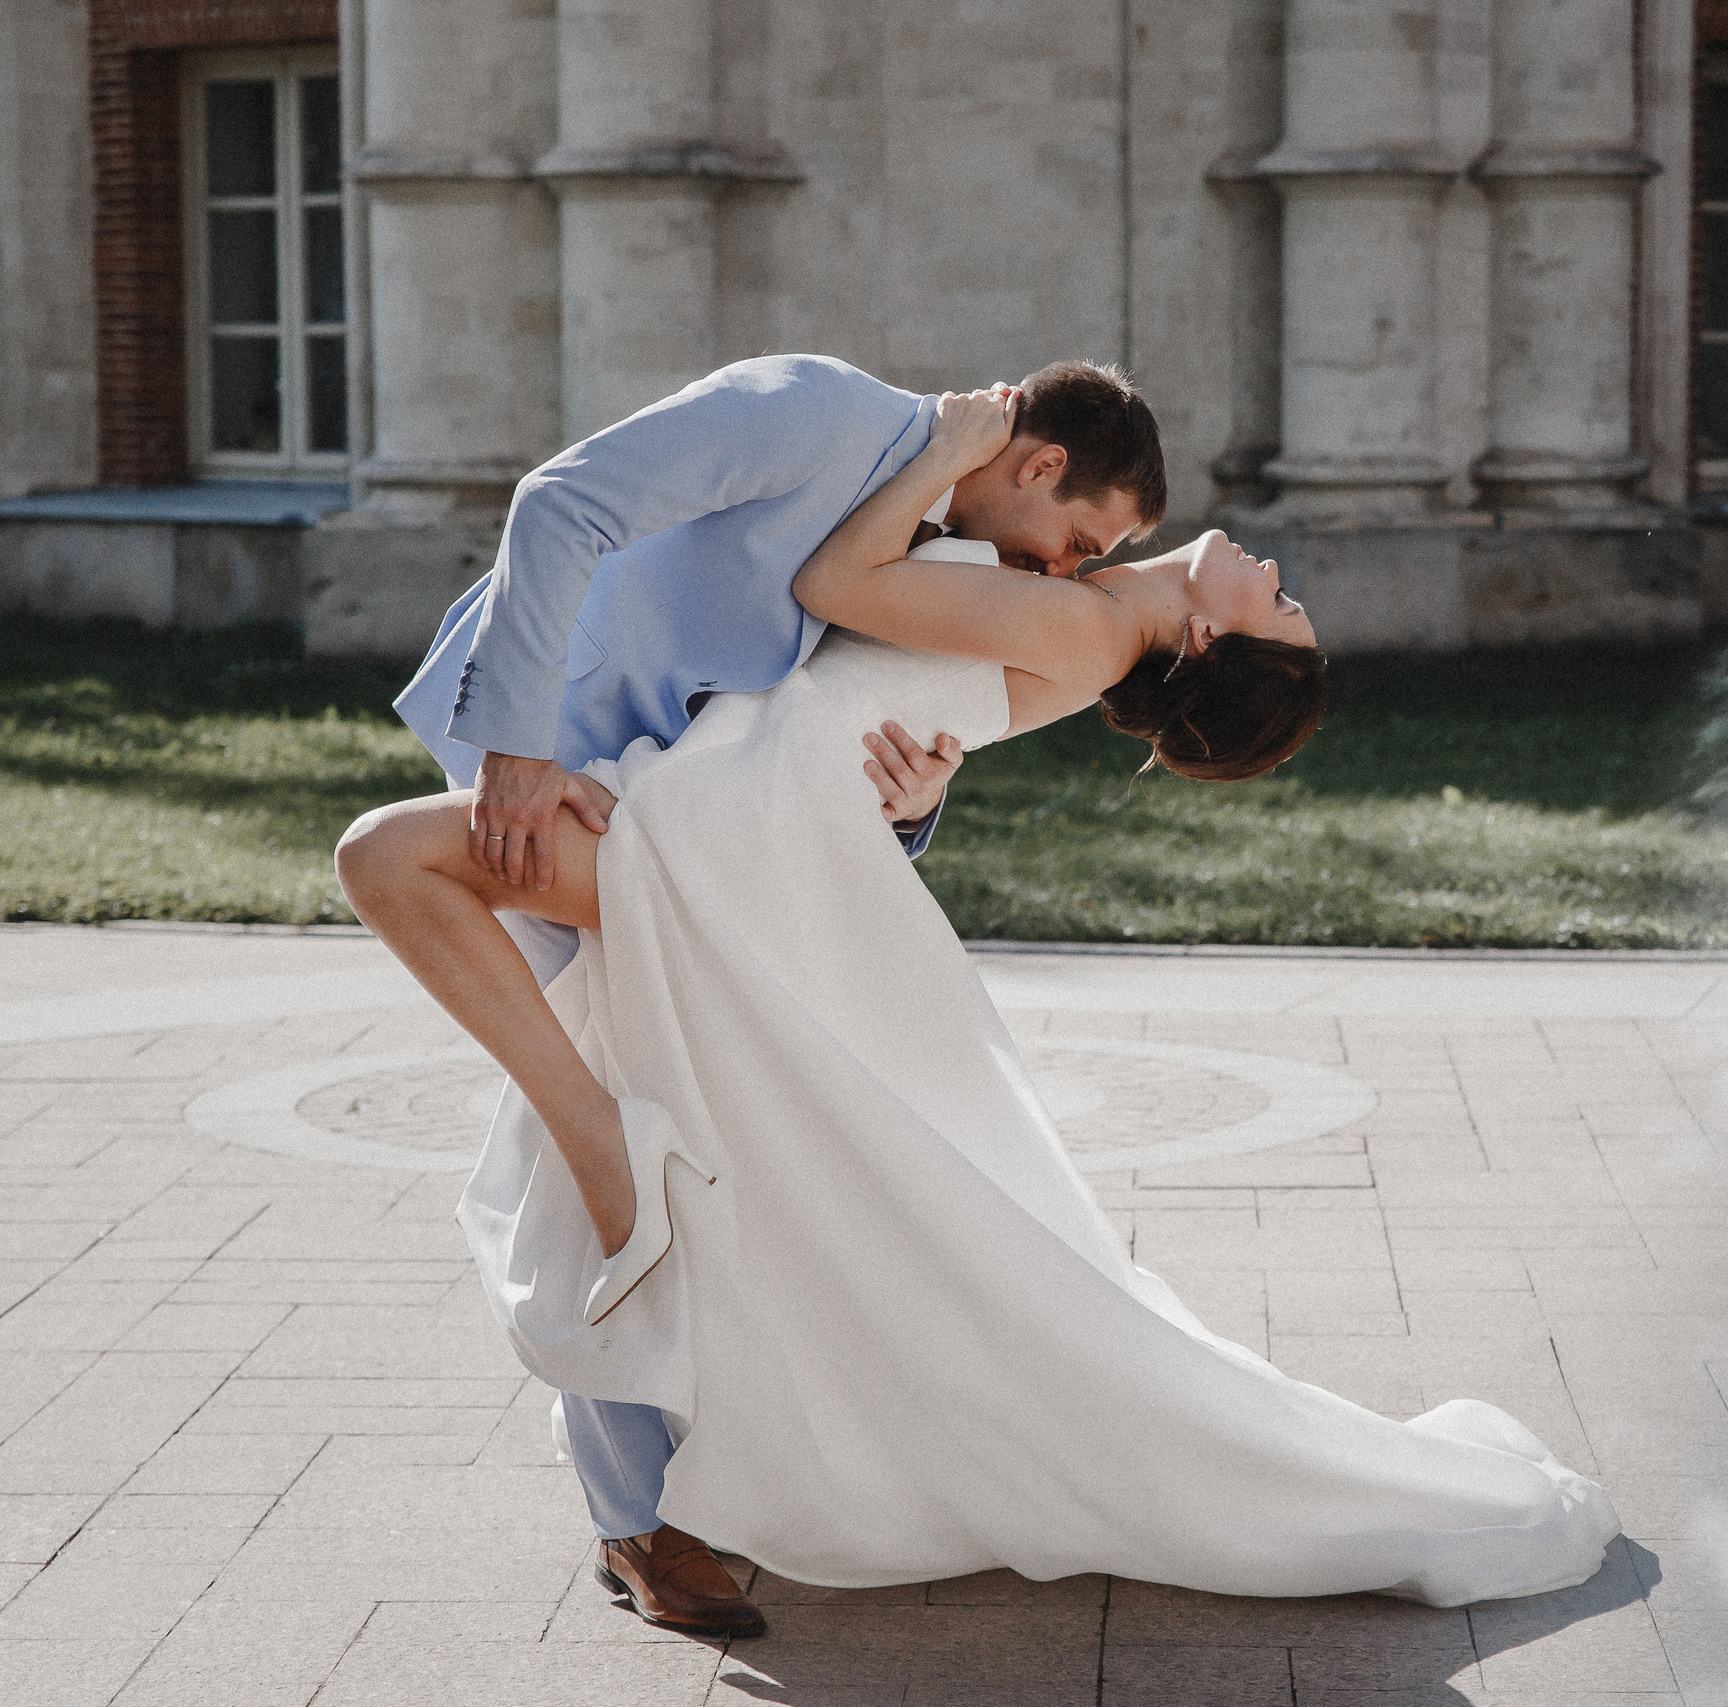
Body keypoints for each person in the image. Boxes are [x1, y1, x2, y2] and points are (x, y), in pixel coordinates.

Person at [340, 390, 1620, 1632]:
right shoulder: (1074, 605)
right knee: (632, 1098)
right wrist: (916, 771)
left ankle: (619, 1243)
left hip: (729, 825)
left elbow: (839, 592)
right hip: (734, 799)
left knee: (392, 864)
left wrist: (937, 457)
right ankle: (646, 1455)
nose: (1277, 568)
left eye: (1276, 603)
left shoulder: (1092, 629)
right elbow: (880, 678)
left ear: (1210, 643)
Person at [384, 356, 1168, 1631]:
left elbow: (821, 715)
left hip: (678, 815)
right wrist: (520, 753)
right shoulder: (818, 411)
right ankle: (639, 1522)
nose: (1066, 573)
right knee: (613, 1117)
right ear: (1036, 465)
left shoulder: (927, 532)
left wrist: (912, 810)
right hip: (550, 769)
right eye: (1075, 538)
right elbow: (560, 503)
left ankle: (662, 1493)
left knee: (674, 1115)